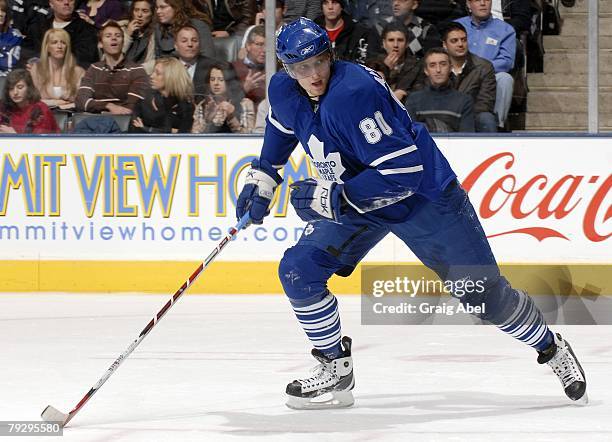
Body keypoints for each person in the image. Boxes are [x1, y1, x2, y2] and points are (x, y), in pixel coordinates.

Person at [235, 18, 587, 409]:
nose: (314, 74)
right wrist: (265, 173)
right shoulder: (284, 89)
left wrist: (333, 199)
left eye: (320, 61)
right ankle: (335, 366)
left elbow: (403, 173)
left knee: (484, 297)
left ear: (330, 54)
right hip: (358, 197)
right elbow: (283, 128)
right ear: (286, 68)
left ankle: (551, 348)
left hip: (422, 198)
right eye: (302, 68)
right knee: (298, 270)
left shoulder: (354, 92)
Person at [456, 0, 515, 129]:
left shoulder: (505, 29)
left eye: (487, 0)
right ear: (468, 4)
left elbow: (506, 61)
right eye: (477, 0)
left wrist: (482, 69)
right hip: (461, 72)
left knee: (505, 79)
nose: (483, 3)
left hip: (492, 75)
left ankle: (498, 125)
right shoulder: (457, 26)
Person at [75, 21, 149, 114]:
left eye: (118, 36)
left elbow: (133, 106)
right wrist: (108, 106)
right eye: (108, 36)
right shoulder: (94, 69)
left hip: (123, 122)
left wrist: (99, 107)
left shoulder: (136, 70)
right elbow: (81, 101)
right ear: (100, 44)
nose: (114, 38)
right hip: (96, 121)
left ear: (123, 41)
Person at [442, 21, 496, 132]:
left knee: (486, 118)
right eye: (454, 41)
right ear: (444, 45)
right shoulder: (436, 66)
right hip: (441, 113)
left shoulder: (484, 67)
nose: (460, 44)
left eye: (463, 40)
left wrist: (461, 113)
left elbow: (485, 103)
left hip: (472, 115)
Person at [406, 48, 474, 132]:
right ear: (426, 71)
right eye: (432, 65)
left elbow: (467, 139)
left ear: (450, 68)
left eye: (443, 64)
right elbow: (410, 135)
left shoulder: (464, 100)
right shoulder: (414, 99)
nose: (438, 70)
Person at [20, 0, 99, 69]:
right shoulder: (39, 28)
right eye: (60, 0)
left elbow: (85, 59)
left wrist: (49, 64)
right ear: (51, 4)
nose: (66, 2)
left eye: (70, 0)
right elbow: (26, 50)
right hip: (39, 75)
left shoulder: (86, 30)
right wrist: (33, 62)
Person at [130, 57, 194, 133]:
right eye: (153, 72)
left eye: (158, 73)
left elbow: (183, 136)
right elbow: (134, 129)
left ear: (171, 77)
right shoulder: (144, 101)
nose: (151, 76)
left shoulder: (186, 107)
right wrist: (172, 131)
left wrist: (146, 128)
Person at [368, 22, 424, 102]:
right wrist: (385, 68)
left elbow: (422, 92)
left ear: (407, 43)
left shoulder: (418, 65)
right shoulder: (372, 65)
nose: (395, 45)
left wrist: (405, 94)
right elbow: (369, 93)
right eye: (391, 40)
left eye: (400, 40)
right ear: (384, 43)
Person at [30, 29, 85, 109]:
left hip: (70, 116)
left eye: (63, 43)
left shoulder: (78, 72)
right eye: (54, 42)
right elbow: (31, 100)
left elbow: (82, 101)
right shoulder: (36, 69)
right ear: (47, 47)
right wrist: (55, 103)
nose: (59, 46)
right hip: (42, 115)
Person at [191, 62, 254, 133]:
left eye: (221, 79)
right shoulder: (203, 105)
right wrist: (207, 120)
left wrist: (232, 118)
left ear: (230, 82)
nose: (216, 83)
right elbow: (195, 137)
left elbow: (249, 137)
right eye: (212, 79)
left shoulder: (244, 104)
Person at [0, 69, 60, 133]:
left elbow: (40, 141)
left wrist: (15, 135)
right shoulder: (4, 107)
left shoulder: (40, 109)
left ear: (29, 88)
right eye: (11, 88)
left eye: (20, 87)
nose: (15, 92)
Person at [175, 25, 218, 97]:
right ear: (176, 45)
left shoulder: (213, 67)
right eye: (184, 41)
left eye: (194, 40)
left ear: (200, 44)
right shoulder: (166, 66)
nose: (190, 44)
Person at [232, 25, 265, 110]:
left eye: (268, 45)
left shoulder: (277, 69)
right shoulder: (233, 68)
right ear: (248, 46)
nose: (264, 50)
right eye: (259, 44)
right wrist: (244, 89)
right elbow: (227, 101)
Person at [122, 0, 156, 72]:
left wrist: (136, 70)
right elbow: (111, 58)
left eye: (145, 11)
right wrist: (127, 35)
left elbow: (155, 61)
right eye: (136, 10)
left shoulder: (155, 33)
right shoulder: (122, 28)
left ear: (152, 14)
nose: (139, 15)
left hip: (142, 75)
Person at [0, 0, 23, 76]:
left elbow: (9, 64)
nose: (0, 14)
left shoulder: (15, 36)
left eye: (3, 11)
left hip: (6, 79)